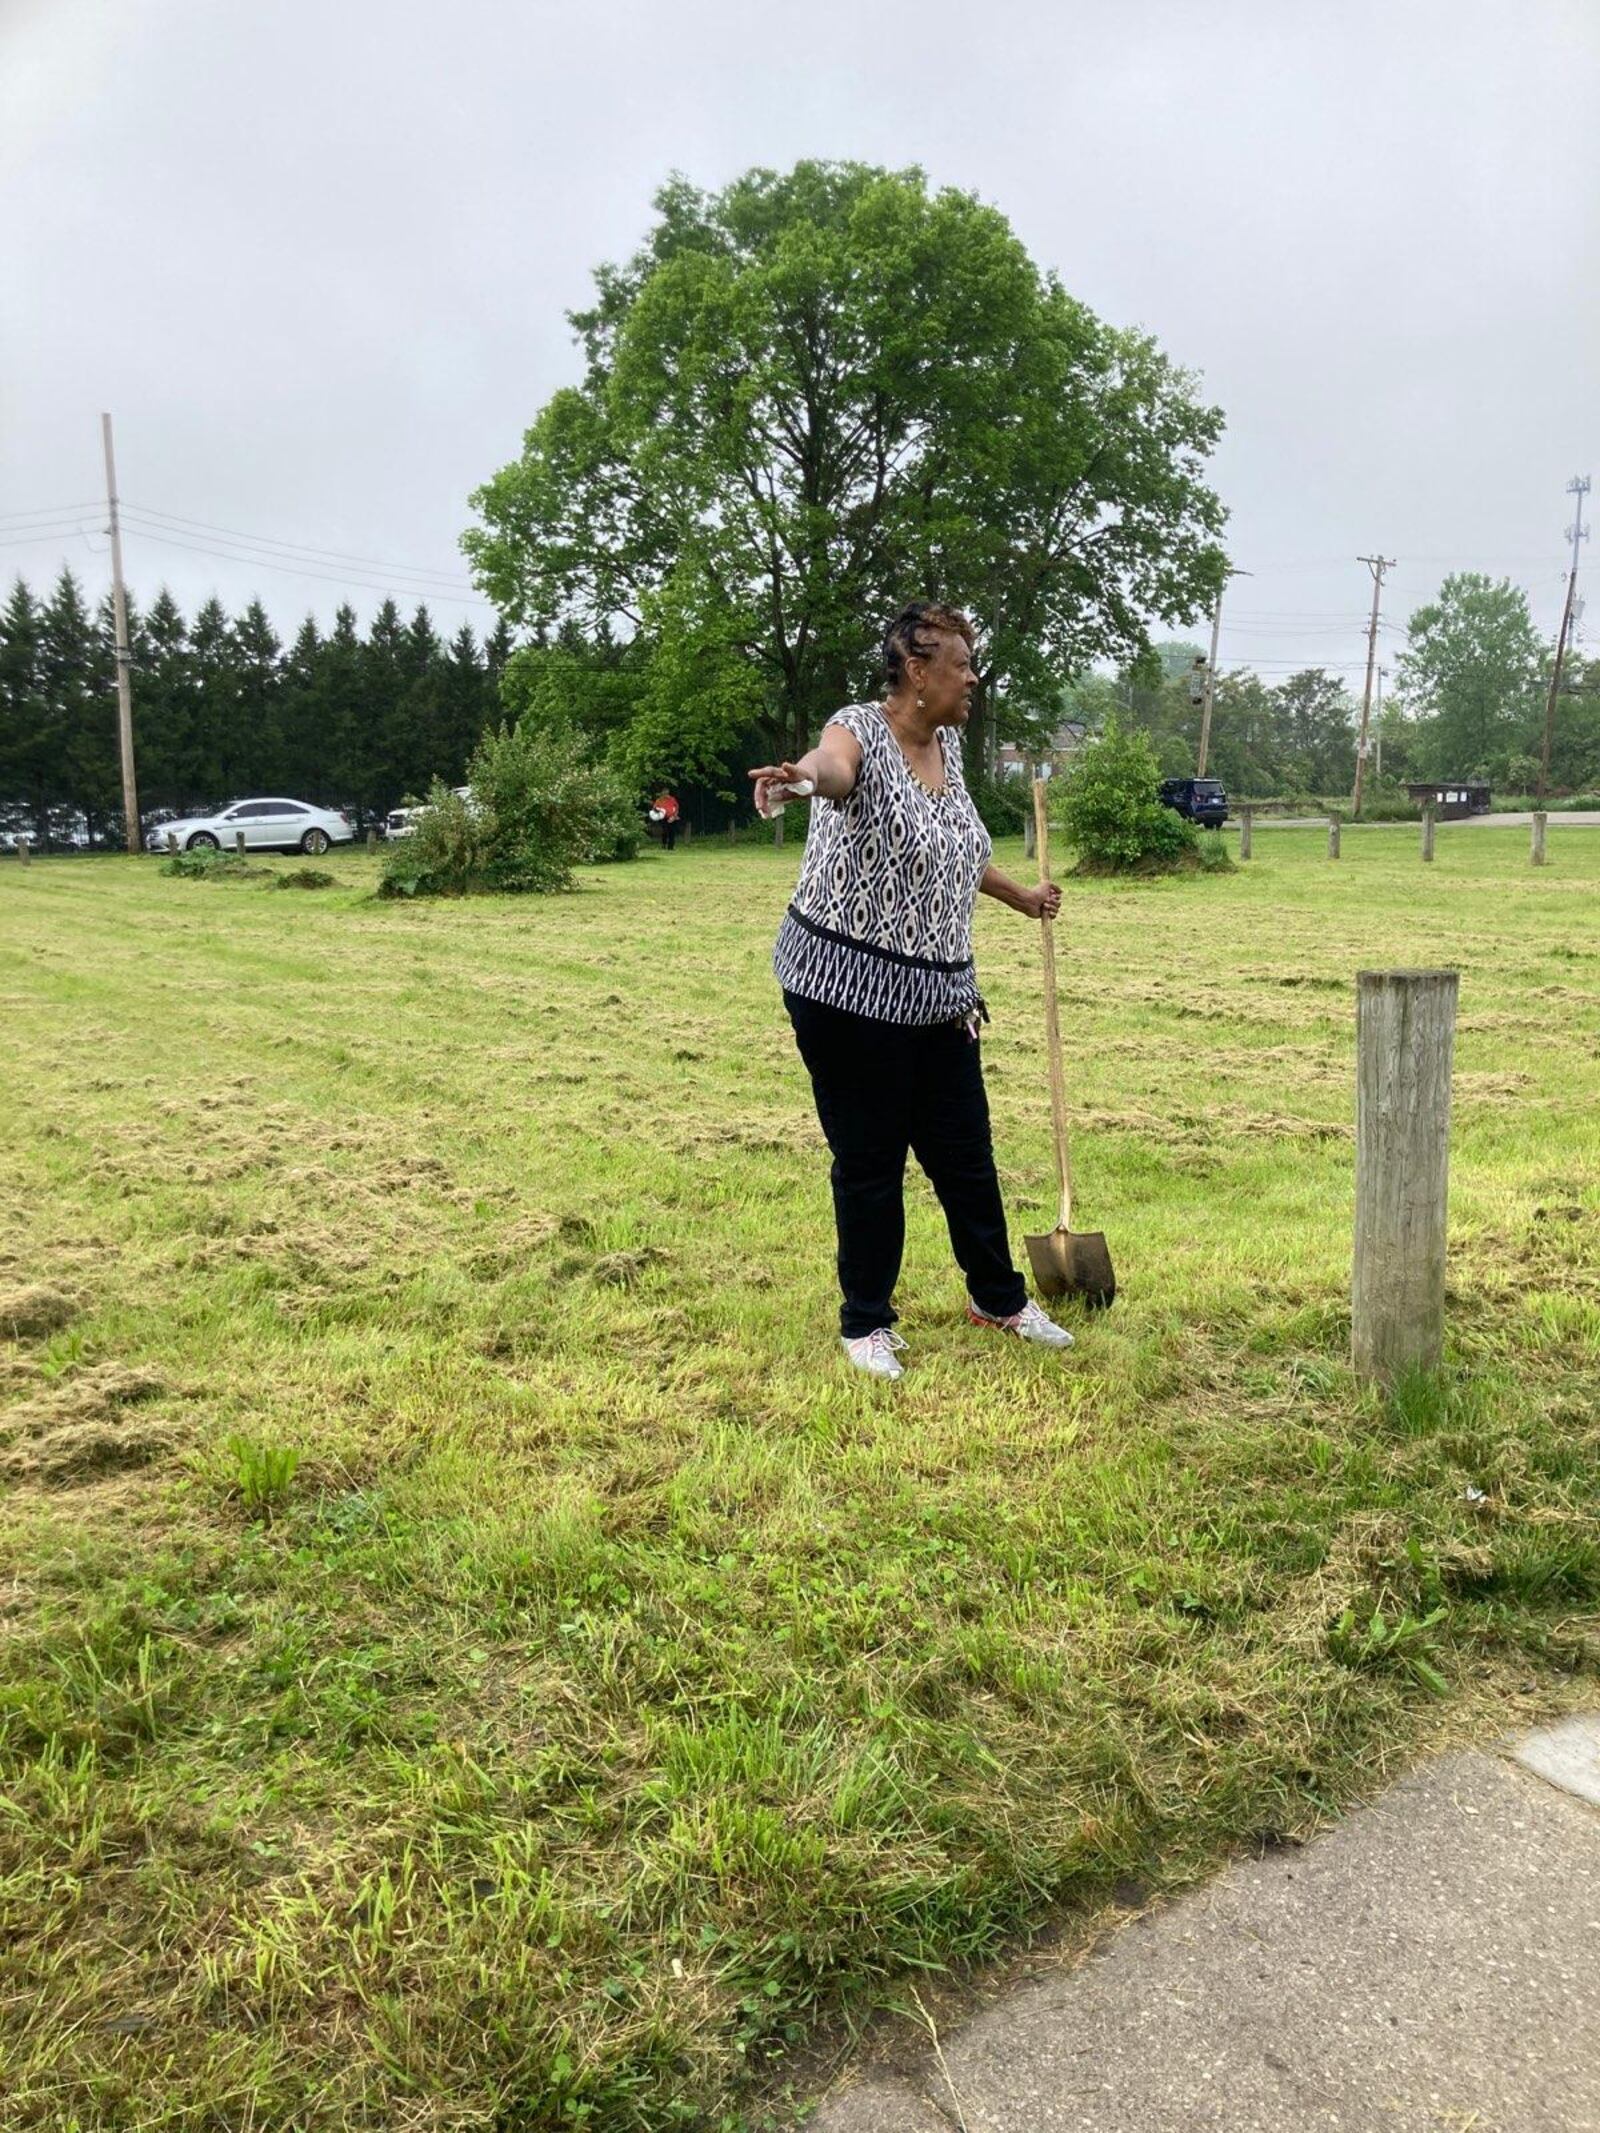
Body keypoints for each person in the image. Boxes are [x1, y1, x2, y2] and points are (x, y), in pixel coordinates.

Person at [750, 601, 1071, 1381]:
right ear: (917, 671)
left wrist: (1019, 895)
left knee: (965, 1153)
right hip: (846, 993)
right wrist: (799, 780)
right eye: (961, 665)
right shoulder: (857, 726)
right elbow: (833, 768)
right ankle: (865, 1322)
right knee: (870, 1159)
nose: (973, 678)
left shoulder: (948, 746)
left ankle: (998, 1298)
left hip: (938, 996)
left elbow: (949, 851)